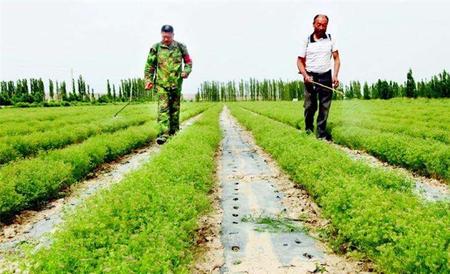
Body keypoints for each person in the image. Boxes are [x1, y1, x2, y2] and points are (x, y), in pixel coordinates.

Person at [144, 24, 192, 145]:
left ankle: (174, 133)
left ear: (173, 35)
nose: (166, 39)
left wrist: (186, 71)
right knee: (163, 109)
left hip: (176, 84)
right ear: (161, 34)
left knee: (174, 110)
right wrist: (148, 80)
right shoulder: (156, 48)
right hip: (161, 85)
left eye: (168, 37)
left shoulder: (181, 47)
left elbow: (188, 62)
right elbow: (149, 66)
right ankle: (163, 134)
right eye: (164, 36)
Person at [297, 14, 340, 140]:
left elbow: (337, 59)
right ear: (313, 24)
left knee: (324, 107)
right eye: (319, 24)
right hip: (310, 76)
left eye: (324, 25)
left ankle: (321, 134)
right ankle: (309, 129)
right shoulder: (307, 40)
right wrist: (305, 75)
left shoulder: (331, 39)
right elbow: (299, 61)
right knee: (310, 106)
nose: (321, 27)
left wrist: (335, 76)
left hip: (326, 76)